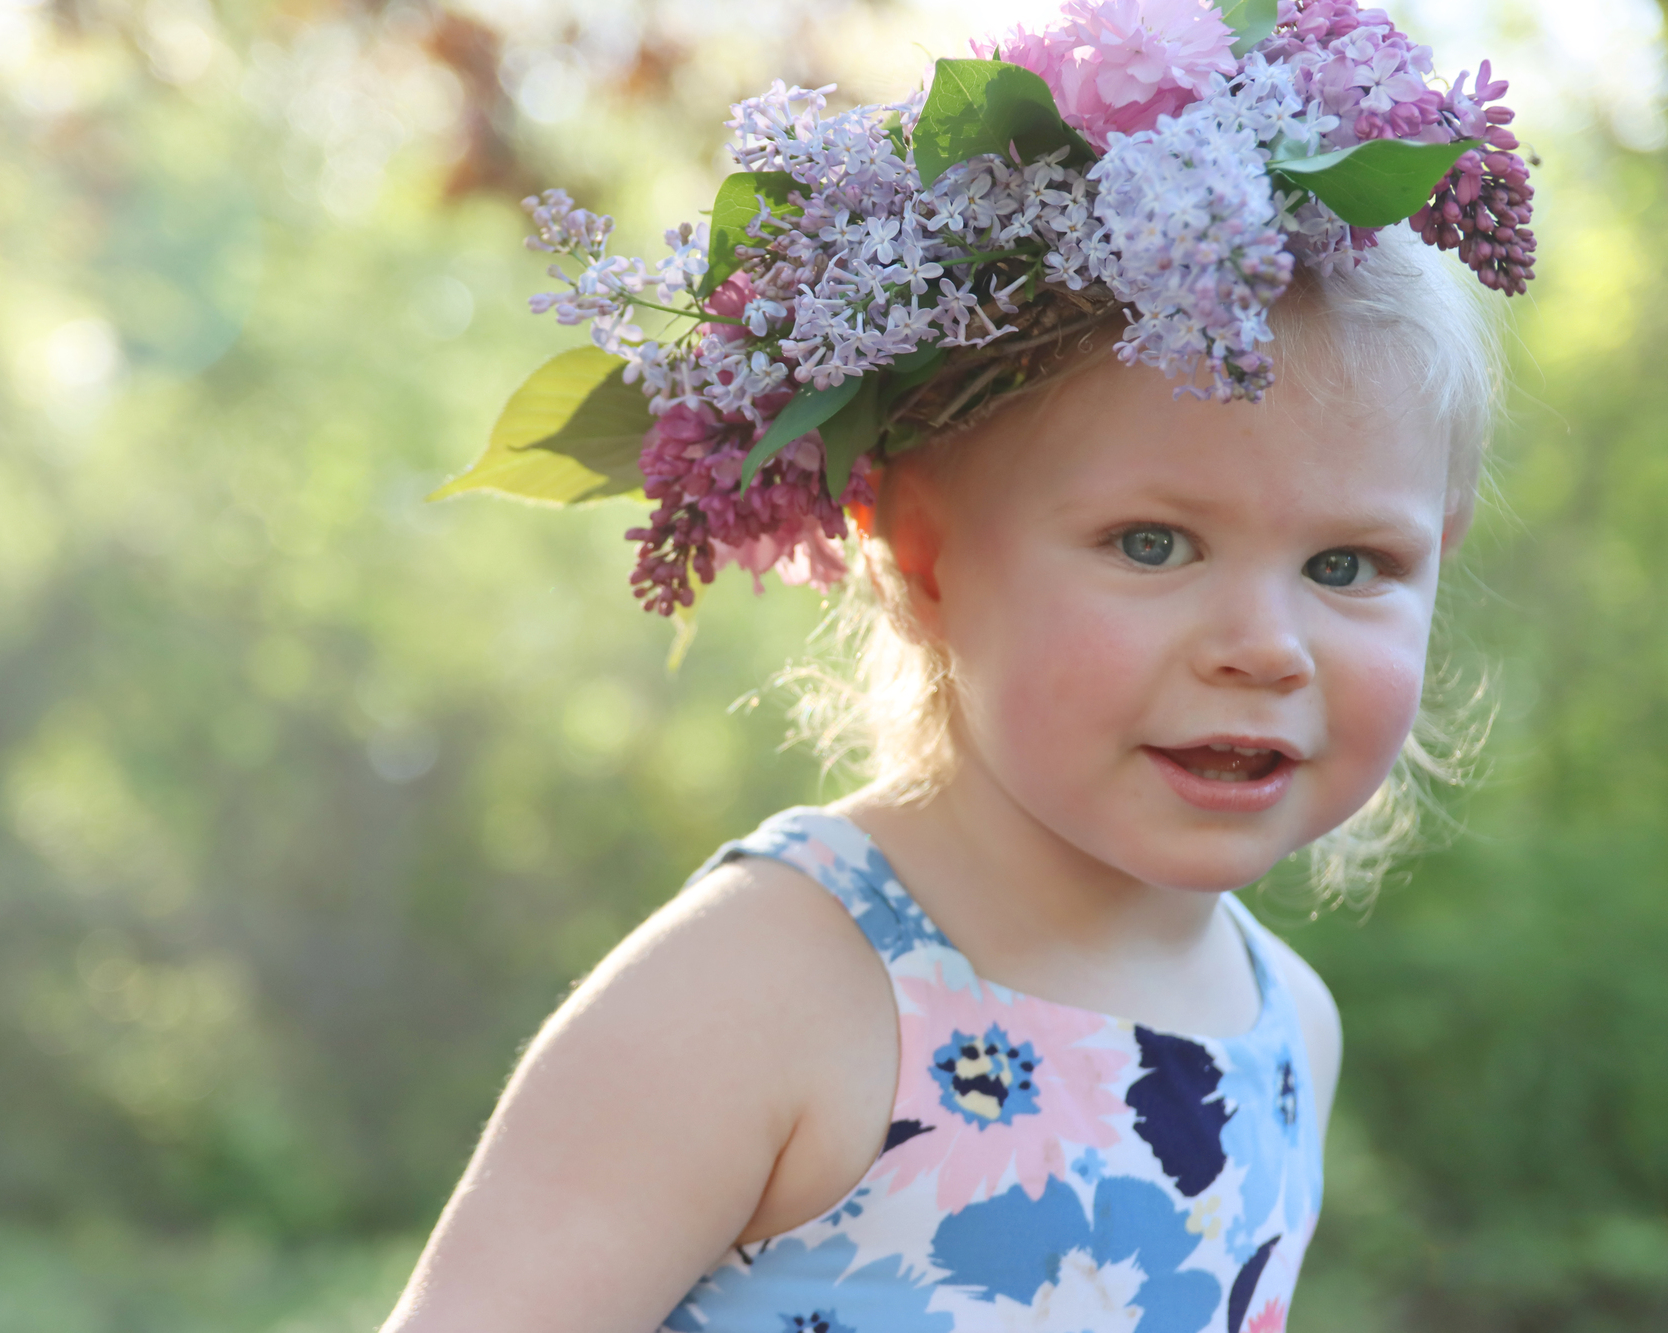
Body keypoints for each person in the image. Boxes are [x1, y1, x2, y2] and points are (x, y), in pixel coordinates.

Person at [393, 3, 1528, 1329]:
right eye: (1152, 543)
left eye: (1349, 566)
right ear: (918, 551)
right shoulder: (765, 989)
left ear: (1440, 556)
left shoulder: (1291, 1031)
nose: (1265, 644)